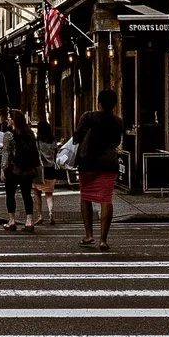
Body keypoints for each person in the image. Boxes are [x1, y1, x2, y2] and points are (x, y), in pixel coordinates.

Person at [73, 89, 126, 250]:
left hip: (87, 162)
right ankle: (103, 239)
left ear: (99, 102)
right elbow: (116, 142)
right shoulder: (118, 121)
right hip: (108, 163)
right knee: (106, 199)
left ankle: (89, 234)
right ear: (114, 105)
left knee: (85, 197)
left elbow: (76, 137)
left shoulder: (88, 117)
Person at [0, 109, 40, 232]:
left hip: (13, 169)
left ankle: (11, 221)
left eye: (8, 118)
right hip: (27, 169)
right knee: (27, 195)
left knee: (10, 194)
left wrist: (3, 169)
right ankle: (29, 221)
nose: (7, 120)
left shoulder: (9, 135)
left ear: (13, 120)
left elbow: (6, 152)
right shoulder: (30, 133)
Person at [32, 121, 61, 228]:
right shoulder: (53, 140)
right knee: (49, 193)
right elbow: (56, 152)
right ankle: (50, 213)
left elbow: (35, 154)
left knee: (36, 193)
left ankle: (40, 215)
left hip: (40, 170)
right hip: (51, 169)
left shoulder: (37, 141)